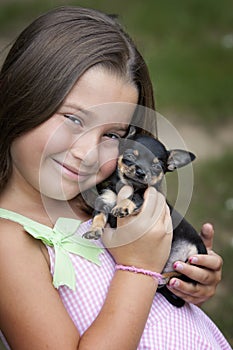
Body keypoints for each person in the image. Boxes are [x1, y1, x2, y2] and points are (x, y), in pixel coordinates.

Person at [0, 6, 230, 350]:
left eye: (113, 135)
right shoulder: (8, 243)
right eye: (74, 119)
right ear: (23, 97)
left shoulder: (102, 199)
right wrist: (138, 269)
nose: (89, 152)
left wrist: (181, 274)